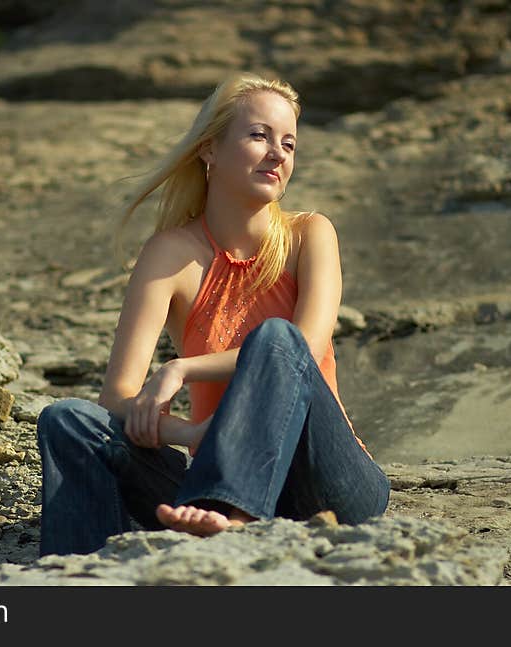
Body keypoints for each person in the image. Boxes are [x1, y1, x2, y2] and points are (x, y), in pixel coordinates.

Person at [36, 71, 390, 557]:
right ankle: (81, 573)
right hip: (203, 486)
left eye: (289, 143)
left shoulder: (311, 234)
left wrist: (181, 367)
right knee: (67, 419)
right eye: (258, 135)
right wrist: (191, 433)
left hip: (328, 484)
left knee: (278, 339)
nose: (278, 153)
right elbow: (117, 399)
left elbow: (303, 347)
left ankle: (235, 519)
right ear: (209, 149)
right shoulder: (169, 253)